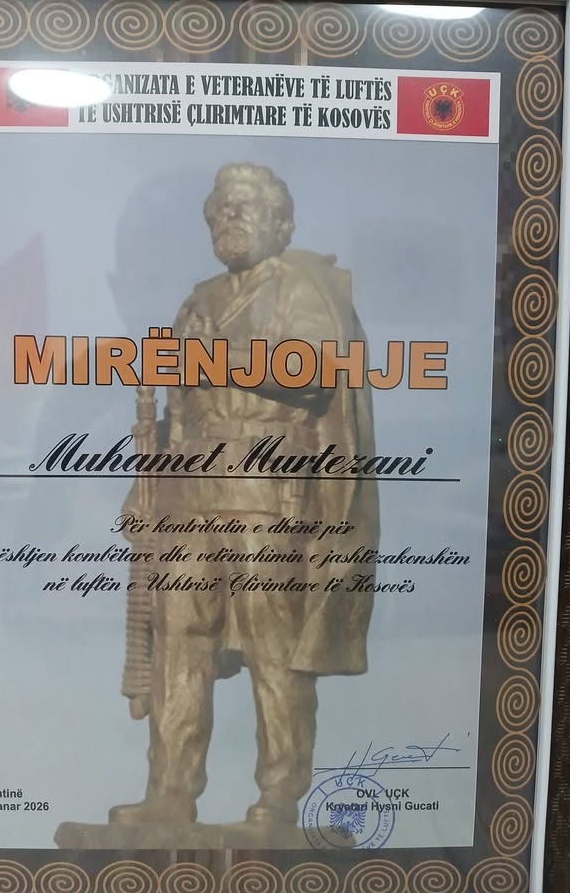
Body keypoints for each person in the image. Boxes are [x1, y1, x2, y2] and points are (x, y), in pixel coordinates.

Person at [113, 162, 379, 831]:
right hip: (189, 494)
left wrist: (217, 359)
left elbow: (314, 375)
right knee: (179, 639)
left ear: (281, 224)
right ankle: (169, 793)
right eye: (219, 210)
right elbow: (176, 411)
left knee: (272, 643)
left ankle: (279, 797)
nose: (228, 217)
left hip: (267, 489)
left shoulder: (303, 287)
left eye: (244, 206)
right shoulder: (198, 300)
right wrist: (144, 487)